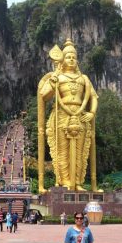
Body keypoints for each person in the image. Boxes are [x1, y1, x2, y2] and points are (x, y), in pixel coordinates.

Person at [38, 39, 99, 193]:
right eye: (68, 57)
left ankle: (78, 182)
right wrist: (53, 81)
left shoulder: (83, 78)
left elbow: (93, 97)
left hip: (80, 115)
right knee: (63, 150)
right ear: (62, 60)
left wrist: (91, 113)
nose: (71, 59)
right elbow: (43, 95)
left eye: (73, 56)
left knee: (80, 151)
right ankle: (65, 182)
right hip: (61, 115)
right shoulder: (58, 77)